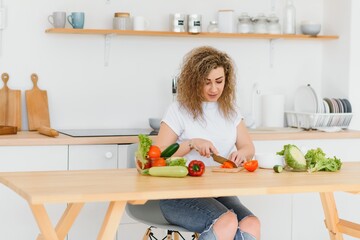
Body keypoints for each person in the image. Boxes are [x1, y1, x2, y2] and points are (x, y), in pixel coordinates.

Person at [155, 46, 261, 240]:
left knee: (251, 224)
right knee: (226, 222)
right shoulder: (178, 110)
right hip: (177, 195)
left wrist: (242, 154)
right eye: (207, 83)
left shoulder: (231, 111)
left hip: (218, 193)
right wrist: (191, 144)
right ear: (194, 82)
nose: (214, 89)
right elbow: (157, 155)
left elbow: (248, 148)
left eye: (219, 81)